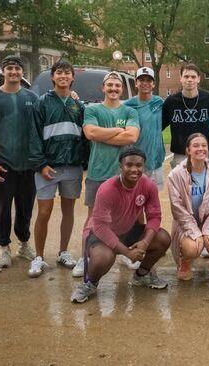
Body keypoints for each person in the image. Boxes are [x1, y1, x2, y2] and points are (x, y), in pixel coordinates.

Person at [70, 146, 171, 303]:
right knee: (104, 258)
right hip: (99, 234)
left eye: (139, 165)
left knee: (162, 238)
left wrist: (144, 243)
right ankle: (90, 283)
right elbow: (100, 227)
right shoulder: (107, 189)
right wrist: (126, 252)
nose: (134, 169)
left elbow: (155, 216)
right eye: (129, 164)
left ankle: (141, 275)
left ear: (143, 167)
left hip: (127, 230)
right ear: (120, 167)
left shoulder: (148, 185)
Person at [73, 71, 140, 277]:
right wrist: (118, 132)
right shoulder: (93, 110)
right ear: (103, 88)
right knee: (93, 218)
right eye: (109, 85)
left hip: (124, 175)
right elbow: (90, 133)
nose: (113, 89)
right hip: (98, 172)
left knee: (128, 218)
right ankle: (85, 257)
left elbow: (132, 136)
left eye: (117, 86)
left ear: (122, 89)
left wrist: (104, 133)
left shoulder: (129, 112)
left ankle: (127, 253)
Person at [28, 60, 87, 278]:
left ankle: (63, 252)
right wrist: (41, 164)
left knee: (68, 211)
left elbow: (85, 136)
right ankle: (39, 257)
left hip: (71, 166)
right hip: (48, 168)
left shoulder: (78, 106)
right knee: (44, 211)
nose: (63, 76)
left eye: (67, 73)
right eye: (59, 72)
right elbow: (33, 136)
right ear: (53, 77)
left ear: (72, 78)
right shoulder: (42, 103)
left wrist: (84, 162)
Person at [0, 55, 38, 268]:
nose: (14, 72)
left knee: (26, 208)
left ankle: (24, 244)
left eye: (17, 68)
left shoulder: (32, 97)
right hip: (2, 165)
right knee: (2, 208)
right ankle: (4, 247)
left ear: (22, 72)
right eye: (9, 69)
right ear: (3, 72)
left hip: (28, 165)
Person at [167, 133, 209, 282]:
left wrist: (208, 228)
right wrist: (195, 231)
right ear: (188, 150)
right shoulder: (176, 174)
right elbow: (177, 208)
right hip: (187, 223)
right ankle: (186, 261)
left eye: (204, 146)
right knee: (192, 247)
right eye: (196, 146)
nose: (200, 149)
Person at [162, 64, 209, 168]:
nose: (189, 80)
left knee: (207, 184)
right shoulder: (171, 101)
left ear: (198, 79)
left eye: (193, 77)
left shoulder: (208, 98)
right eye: (186, 76)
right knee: (181, 184)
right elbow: (159, 125)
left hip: (204, 153)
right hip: (181, 154)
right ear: (180, 78)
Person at [125, 67, 166, 189]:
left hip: (156, 160)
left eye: (149, 80)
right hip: (136, 161)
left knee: (153, 200)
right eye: (141, 80)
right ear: (136, 83)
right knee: (134, 199)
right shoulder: (128, 105)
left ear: (153, 84)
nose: (145, 83)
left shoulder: (159, 102)